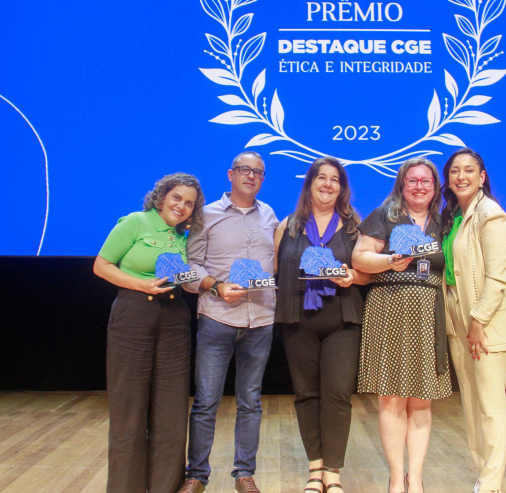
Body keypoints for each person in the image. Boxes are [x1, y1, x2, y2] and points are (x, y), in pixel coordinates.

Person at [93, 173, 205, 493]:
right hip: (133, 316)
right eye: (176, 198)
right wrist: (141, 284)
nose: (181, 206)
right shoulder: (135, 222)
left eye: (189, 203)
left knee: (171, 413)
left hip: (174, 320)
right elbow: (101, 266)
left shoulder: (184, 236)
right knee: (129, 411)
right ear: (161, 197)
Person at [177, 152, 279, 493]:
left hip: (261, 320)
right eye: (244, 170)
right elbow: (190, 269)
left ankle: (244, 474)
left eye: (258, 172)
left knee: (250, 401)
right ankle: (197, 475)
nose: (251, 176)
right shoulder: (205, 216)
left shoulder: (270, 216)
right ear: (231, 174)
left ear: (263, 179)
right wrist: (217, 287)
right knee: (206, 401)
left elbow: (276, 264)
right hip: (217, 318)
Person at [352, 157, 452, 493]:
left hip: (428, 311)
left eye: (426, 181)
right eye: (412, 181)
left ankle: (417, 478)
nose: (419, 186)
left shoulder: (445, 221)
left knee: (421, 400)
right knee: (392, 399)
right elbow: (359, 257)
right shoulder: (386, 215)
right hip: (389, 308)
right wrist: (389, 261)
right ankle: (397, 477)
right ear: (401, 184)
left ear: (435, 186)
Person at [273, 157, 370, 493]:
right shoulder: (288, 226)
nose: (328, 184)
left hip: (341, 319)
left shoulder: (355, 226)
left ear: (341, 188)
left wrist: (351, 276)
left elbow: (366, 273)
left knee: (338, 394)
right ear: (310, 183)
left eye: (335, 180)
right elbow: (276, 269)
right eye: (321, 178)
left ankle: (333, 471)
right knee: (306, 394)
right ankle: (315, 470)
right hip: (297, 319)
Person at [440, 148, 506, 493]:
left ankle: (489, 484)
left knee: (489, 406)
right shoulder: (455, 215)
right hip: (459, 321)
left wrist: (478, 322)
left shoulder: (491, 215)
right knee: (471, 405)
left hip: (483, 325)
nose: (461, 176)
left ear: (482, 176)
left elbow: (498, 278)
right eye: (455, 170)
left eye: (469, 170)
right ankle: (483, 477)